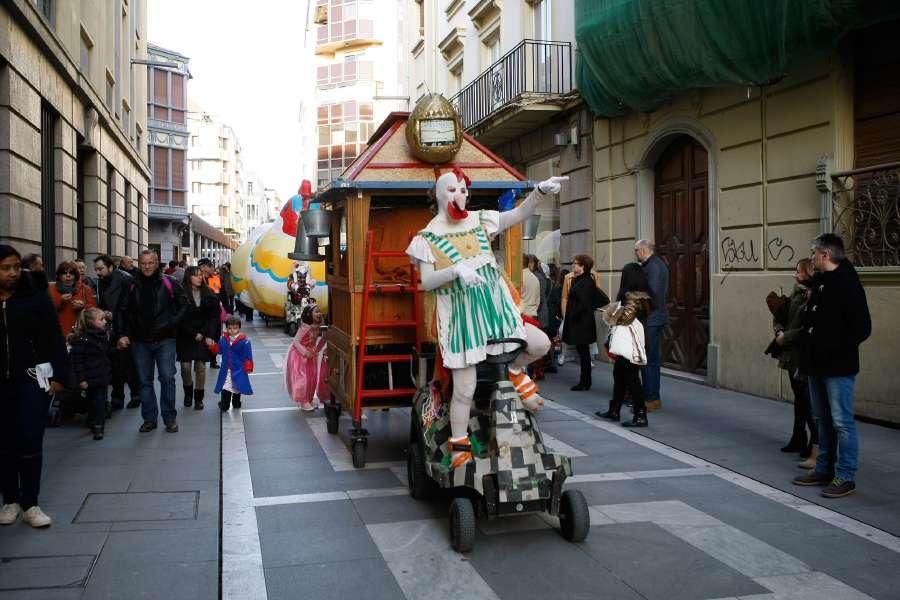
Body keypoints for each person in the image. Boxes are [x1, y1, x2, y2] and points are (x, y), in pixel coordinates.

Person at [406, 169, 564, 467]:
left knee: (541, 344)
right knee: (464, 390)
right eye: (452, 189)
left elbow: (517, 215)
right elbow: (426, 282)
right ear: (439, 194)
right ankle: (459, 447)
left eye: (464, 190)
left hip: (498, 312)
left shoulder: (480, 220)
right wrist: (455, 271)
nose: (459, 195)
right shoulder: (427, 237)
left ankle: (516, 371)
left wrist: (539, 192)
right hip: (460, 319)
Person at [793, 234, 871, 498]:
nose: (811, 256)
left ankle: (846, 475)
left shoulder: (847, 284)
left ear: (825, 255)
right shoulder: (822, 282)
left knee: (841, 422)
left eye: (814, 252)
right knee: (822, 420)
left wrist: (834, 349)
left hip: (837, 366)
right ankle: (824, 468)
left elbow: (862, 328)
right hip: (816, 365)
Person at [0, 245, 68, 528]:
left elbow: (53, 337)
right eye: (6, 268)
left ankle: (31, 503)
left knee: (30, 440)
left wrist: (59, 376)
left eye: (16, 266)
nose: (13, 273)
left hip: (32, 378)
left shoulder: (35, 297)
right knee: (5, 443)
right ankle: (10, 500)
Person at [116, 249, 188, 433]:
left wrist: (171, 323)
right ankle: (149, 418)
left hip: (165, 339)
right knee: (144, 381)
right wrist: (122, 334)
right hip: (140, 341)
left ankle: (169, 418)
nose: (147, 266)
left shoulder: (169, 283)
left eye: (150, 263)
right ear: (138, 264)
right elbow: (121, 311)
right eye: (143, 263)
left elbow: (184, 305)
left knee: (167, 378)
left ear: (157, 263)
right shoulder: (131, 285)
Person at [596, 263, 654, 426]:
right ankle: (614, 410)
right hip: (633, 342)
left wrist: (611, 314)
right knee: (620, 376)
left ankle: (640, 415)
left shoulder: (632, 297)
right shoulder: (644, 296)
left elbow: (624, 319)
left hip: (628, 343)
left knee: (631, 379)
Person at [773, 258, 818, 467]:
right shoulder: (797, 293)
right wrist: (778, 329)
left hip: (802, 354)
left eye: (799, 272)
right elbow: (781, 314)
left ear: (809, 273)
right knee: (799, 398)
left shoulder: (813, 295)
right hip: (790, 354)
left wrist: (786, 337)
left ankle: (814, 442)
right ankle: (798, 437)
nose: (795, 275)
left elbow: (807, 328)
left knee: (807, 400)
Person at [94, 255, 139, 410]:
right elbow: (103, 303)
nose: (98, 272)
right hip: (111, 326)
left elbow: (127, 306)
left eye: (100, 269)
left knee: (126, 363)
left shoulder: (124, 279)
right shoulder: (102, 282)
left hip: (125, 326)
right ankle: (119, 397)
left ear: (110, 267)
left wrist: (122, 331)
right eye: (96, 270)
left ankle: (133, 394)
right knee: (116, 363)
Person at [176, 266, 220, 410]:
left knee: (201, 366)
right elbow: (179, 318)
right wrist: (193, 333)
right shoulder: (181, 294)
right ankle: (188, 393)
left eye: (201, 275)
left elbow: (213, 318)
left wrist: (208, 335)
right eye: (196, 275)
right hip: (185, 334)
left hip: (204, 333)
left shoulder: (209, 294)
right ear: (189, 277)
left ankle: (198, 398)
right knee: (185, 367)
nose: (200, 277)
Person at [562, 255, 606, 391]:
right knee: (582, 352)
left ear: (583, 266)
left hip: (582, 323)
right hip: (579, 322)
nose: (573, 266)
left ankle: (585, 382)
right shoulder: (578, 280)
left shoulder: (587, 281)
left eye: (576, 264)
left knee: (584, 353)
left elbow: (588, 302)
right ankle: (584, 381)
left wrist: (575, 314)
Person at [634, 239, 668, 412]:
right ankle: (653, 397)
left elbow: (650, 293)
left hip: (651, 319)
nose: (635, 253)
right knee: (651, 360)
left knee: (648, 360)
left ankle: (650, 398)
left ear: (643, 250)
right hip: (653, 318)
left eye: (636, 250)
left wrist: (633, 299)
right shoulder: (655, 264)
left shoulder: (653, 266)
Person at [68, 307, 112, 440]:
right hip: (89, 377)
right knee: (93, 401)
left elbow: (107, 353)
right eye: (101, 319)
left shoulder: (104, 335)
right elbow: (77, 361)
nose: (105, 321)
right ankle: (94, 421)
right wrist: (81, 379)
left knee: (100, 401)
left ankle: (98, 426)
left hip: (102, 376)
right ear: (91, 322)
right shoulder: (83, 339)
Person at [284, 304, 328, 411]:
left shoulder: (318, 326)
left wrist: (316, 349)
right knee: (303, 379)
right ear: (309, 314)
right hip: (299, 357)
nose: (319, 314)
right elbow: (296, 341)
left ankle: (309, 399)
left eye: (319, 311)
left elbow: (323, 338)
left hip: (310, 355)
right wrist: (304, 352)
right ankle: (303, 401)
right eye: (316, 312)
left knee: (312, 378)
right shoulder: (305, 327)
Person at [208, 315, 254, 411]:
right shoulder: (223, 340)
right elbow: (219, 350)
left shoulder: (245, 342)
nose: (232, 330)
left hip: (238, 370)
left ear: (239, 328)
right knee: (226, 387)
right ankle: (224, 405)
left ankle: (236, 402)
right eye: (229, 328)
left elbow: (248, 355)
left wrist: (248, 366)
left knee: (237, 387)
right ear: (226, 328)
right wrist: (213, 346)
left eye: (235, 328)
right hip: (226, 370)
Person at [48, 260, 97, 337]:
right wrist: (61, 301)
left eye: (71, 273)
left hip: (79, 332)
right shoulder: (51, 288)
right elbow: (46, 308)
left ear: (76, 275)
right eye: (64, 273)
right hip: (57, 332)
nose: (68, 276)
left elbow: (93, 310)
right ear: (59, 275)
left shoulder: (85, 289)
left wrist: (83, 306)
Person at [198, 258, 223, 368]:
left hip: (215, 313)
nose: (212, 268)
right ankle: (198, 361)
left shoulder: (217, 278)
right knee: (201, 337)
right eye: (210, 266)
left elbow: (223, 295)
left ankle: (213, 360)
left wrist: (228, 311)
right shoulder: (197, 279)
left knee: (215, 336)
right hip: (202, 313)